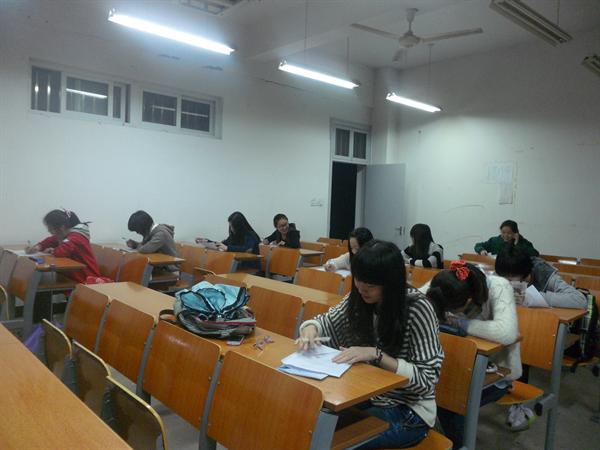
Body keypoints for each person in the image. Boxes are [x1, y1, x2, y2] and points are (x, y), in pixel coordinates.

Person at [298, 240, 443, 449]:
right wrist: (310, 329)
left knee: (330, 441)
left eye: (371, 285)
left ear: (391, 283)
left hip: (408, 409)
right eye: (358, 280)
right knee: (309, 424)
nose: (362, 289)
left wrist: (377, 355)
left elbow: (427, 380)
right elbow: (326, 321)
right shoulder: (359, 296)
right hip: (369, 394)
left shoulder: (418, 309)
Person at [426, 261, 529, 445]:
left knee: (452, 400)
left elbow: (507, 333)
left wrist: (461, 323)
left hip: (496, 374)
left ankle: (458, 445)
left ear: (468, 301)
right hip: (456, 365)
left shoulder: (499, 286)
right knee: (427, 389)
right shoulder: (446, 281)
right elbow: (416, 297)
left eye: (451, 309)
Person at [495, 244, 586, 309]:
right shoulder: (504, 270)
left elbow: (580, 300)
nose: (506, 282)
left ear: (524, 275)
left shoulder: (544, 273)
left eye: (509, 280)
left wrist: (538, 297)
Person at [25, 209, 101, 283]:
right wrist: (38, 247)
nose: (49, 231)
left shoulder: (76, 237)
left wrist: (53, 251)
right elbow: (51, 240)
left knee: (41, 282)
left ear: (61, 228)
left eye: (50, 229)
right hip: (73, 276)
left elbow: (60, 252)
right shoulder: (66, 234)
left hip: (87, 278)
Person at [474, 220, 539, 257]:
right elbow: (478, 245)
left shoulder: (523, 242)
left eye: (509, 233)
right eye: (503, 232)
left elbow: (535, 254)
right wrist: (481, 250)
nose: (505, 235)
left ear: (515, 233)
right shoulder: (495, 241)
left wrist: (517, 243)